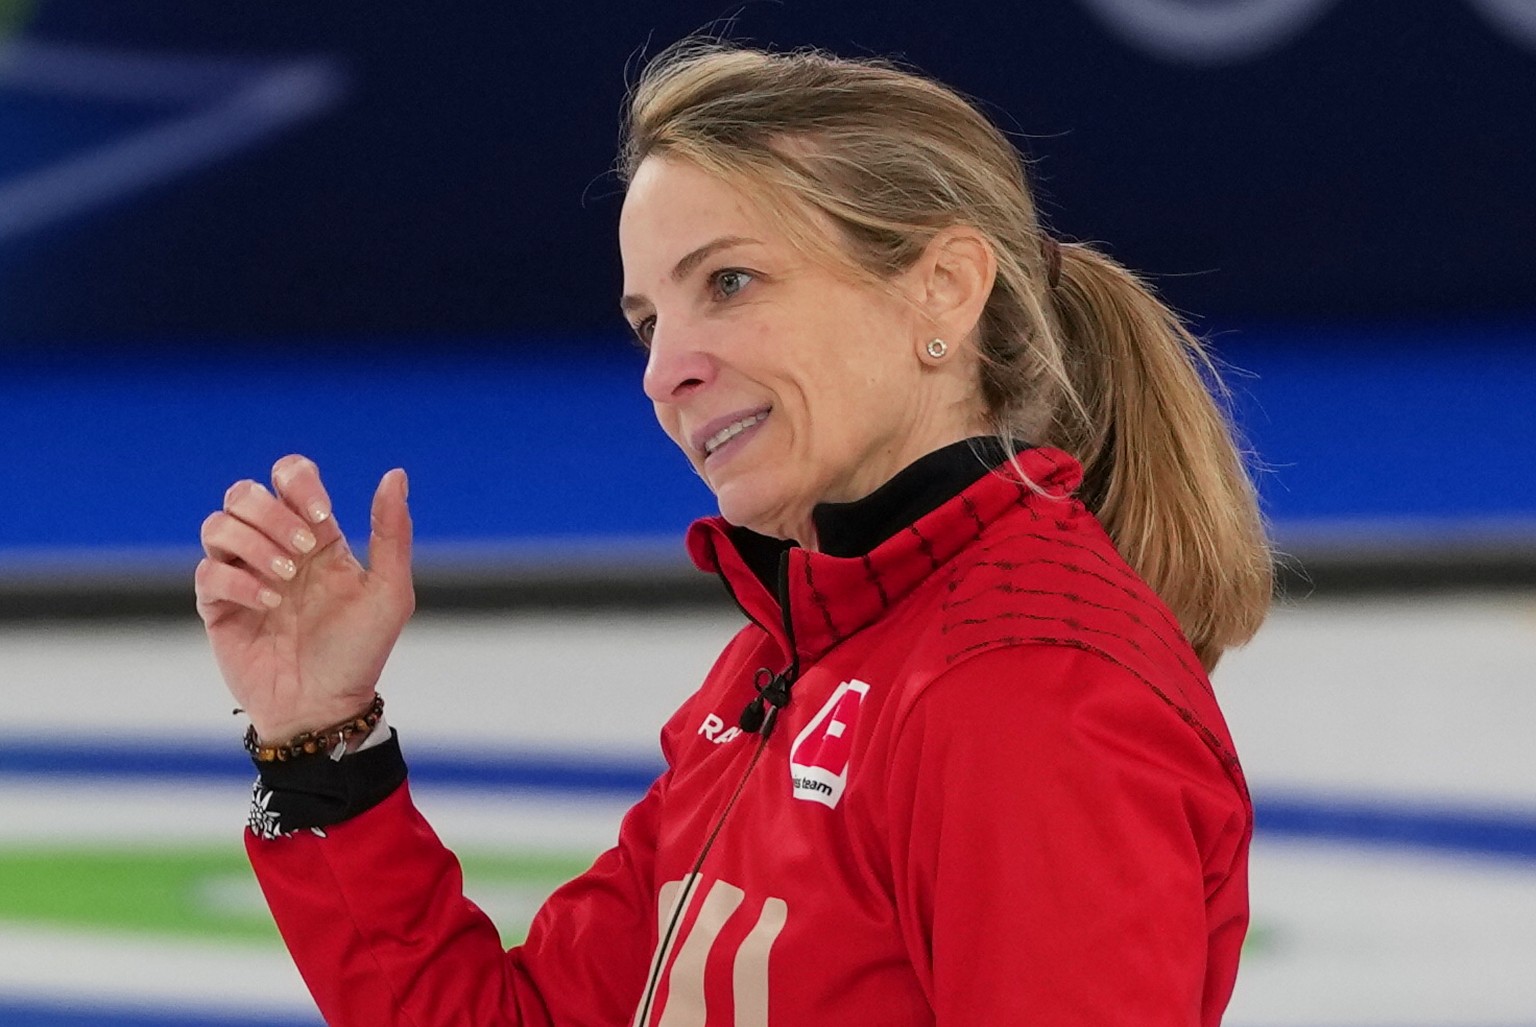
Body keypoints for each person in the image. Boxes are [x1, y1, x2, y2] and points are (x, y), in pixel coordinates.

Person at [195, 40, 1271, 1026]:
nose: (666, 371)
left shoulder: (1028, 691)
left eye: (730, 282)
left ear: (942, 290)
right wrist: (321, 740)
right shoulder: (789, 657)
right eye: (648, 323)